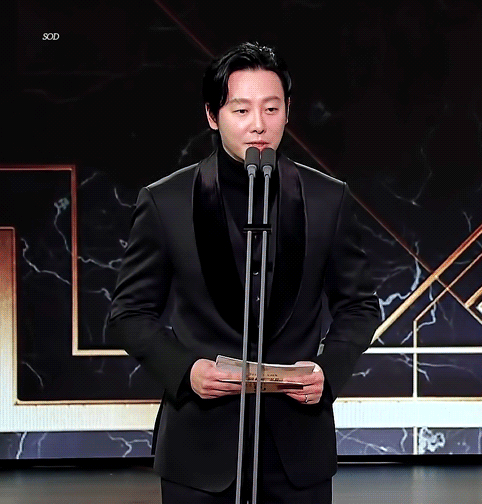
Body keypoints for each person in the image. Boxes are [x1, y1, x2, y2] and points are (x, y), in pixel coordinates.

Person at [106, 42, 381, 503]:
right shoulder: (166, 201)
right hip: (199, 449)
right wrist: (186, 371)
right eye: (241, 109)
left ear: (288, 112)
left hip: (297, 448)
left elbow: (359, 306)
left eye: (271, 108)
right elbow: (128, 314)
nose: (258, 124)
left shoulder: (327, 198)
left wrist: (327, 372)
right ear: (212, 116)